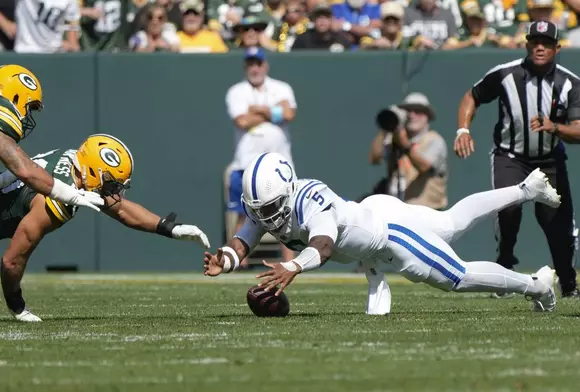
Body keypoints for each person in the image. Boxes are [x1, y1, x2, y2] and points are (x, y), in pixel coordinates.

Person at [204, 152, 559, 315]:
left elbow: (323, 246)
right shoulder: (267, 204)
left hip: (390, 236)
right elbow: (246, 234)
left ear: (287, 189)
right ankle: (526, 189)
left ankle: (536, 285)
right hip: (374, 216)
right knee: (450, 223)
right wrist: (227, 259)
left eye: (269, 207)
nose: (265, 215)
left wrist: (293, 267)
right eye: (259, 208)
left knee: (458, 276)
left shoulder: (311, 200)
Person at [0, 134, 210, 322]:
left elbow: (120, 208)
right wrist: (17, 306)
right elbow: (12, 261)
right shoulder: (57, 200)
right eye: (111, 184)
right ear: (93, 172)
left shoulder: (73, 163)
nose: (114, 192)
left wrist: (168, 228)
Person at [0, 65, 104, 312]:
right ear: (16, 96)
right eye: (30, 106)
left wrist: (0, 180)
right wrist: (68, 193)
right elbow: (24, 169)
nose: (28, 115)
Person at [454, 20, 580, 298]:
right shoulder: (505, 75)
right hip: (510, 156)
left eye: (546, 43)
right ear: (526, 44)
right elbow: (472, 96)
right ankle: (504, 271)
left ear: (557, 48)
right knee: (508, 212)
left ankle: (569, 283)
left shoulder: (570, 83)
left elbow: (579, 130)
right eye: (534, 42)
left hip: (549, 161)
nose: (539, 47)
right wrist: (463, 129)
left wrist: (555, 127)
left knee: (558, 225)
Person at [225, 47, 297, 267]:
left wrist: (257, 109)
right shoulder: (236, 91)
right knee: (241, 215)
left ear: (265, 65)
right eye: (250, 64)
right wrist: (273, 112)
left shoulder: (282, 88)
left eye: (258, 63)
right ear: (245, 66)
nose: (254, 68)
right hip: (245, 163)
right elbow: (242, 121)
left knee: (288, 213)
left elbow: (289, 114)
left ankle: (290, 262)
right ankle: (236, 262)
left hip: (280, 164)